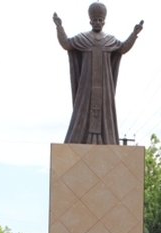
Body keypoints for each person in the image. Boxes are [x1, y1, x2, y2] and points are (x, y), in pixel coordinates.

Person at [53, 2, 143, 145]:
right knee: (83, 110)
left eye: (100, 20)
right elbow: (66, 44)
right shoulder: (83, 38)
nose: (97, 22)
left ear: (104, 22)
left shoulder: (109, 40)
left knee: (105, 110)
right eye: (95, 20)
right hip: (86, 84)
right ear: (90, 21)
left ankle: (106, 139)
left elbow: (123, 48)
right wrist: (59, 27)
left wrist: (134, 34)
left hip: (105, 85)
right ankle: (79, 138)